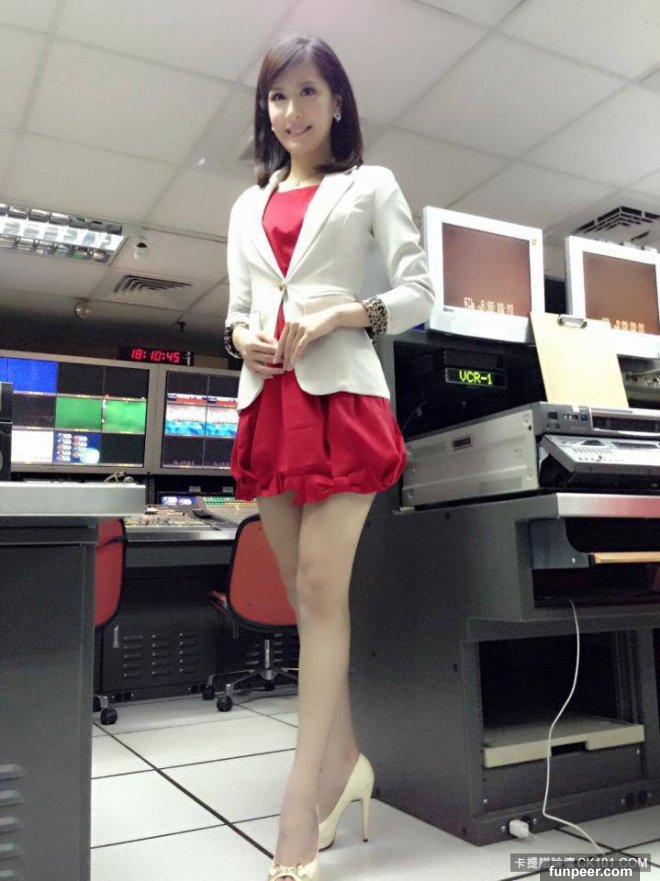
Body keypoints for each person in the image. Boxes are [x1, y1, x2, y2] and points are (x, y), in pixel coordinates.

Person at [223, 33, 434, 881]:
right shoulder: (246, 205)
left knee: (319, 586)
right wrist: (241, 337)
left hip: (343, 396)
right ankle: (348, 764)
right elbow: (238, 308)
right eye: (277, 97)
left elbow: (420, 292)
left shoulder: (369, 184)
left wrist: (348, 313)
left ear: (337, 101)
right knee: (305, 599)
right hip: (271, 400)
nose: (292, 111)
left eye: (308, 92)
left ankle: (299, 797)